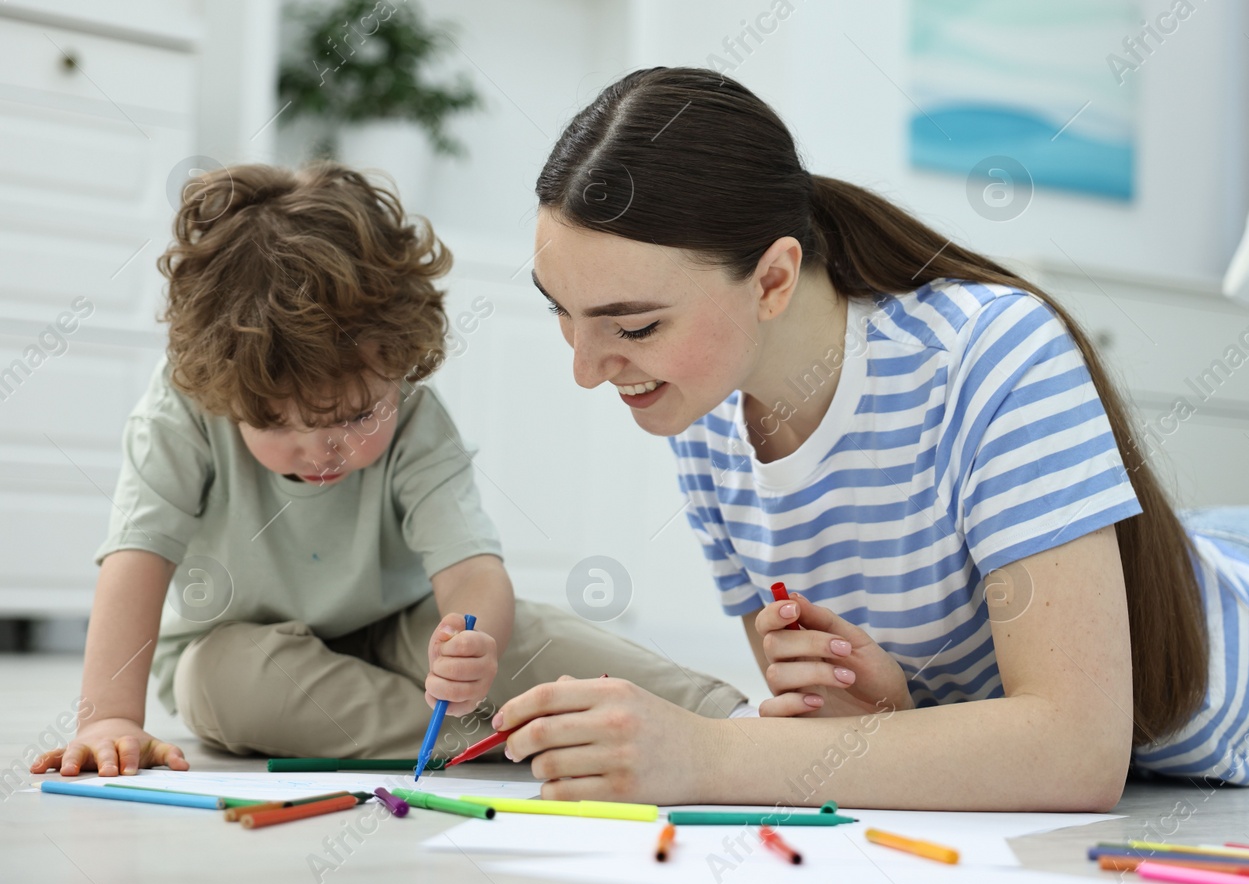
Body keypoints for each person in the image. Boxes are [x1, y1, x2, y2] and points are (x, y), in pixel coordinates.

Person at [488, 68, 1249, 810]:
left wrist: (711, 753)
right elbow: (897, 716)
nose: (589, 367)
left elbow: (1076, 749)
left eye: (630, 325)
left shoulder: (988, 352)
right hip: (1175, 566)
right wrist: (880, 702)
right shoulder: (703, 412)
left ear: (771, 277)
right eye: (562, 314)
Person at [31, 162, 744, 779]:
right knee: (219, 686)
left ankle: (727, 719)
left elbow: (470, 572)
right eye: (277, 424)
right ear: (223, 394)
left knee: (528, 637)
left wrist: (471, 644)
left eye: (354, 416)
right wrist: (107, 718)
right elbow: (136, 558)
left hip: (403, 622)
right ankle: (511, 736)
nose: (322, 450)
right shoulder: (180, 410)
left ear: (400, 367)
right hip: (240, 643)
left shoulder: (414, 417)